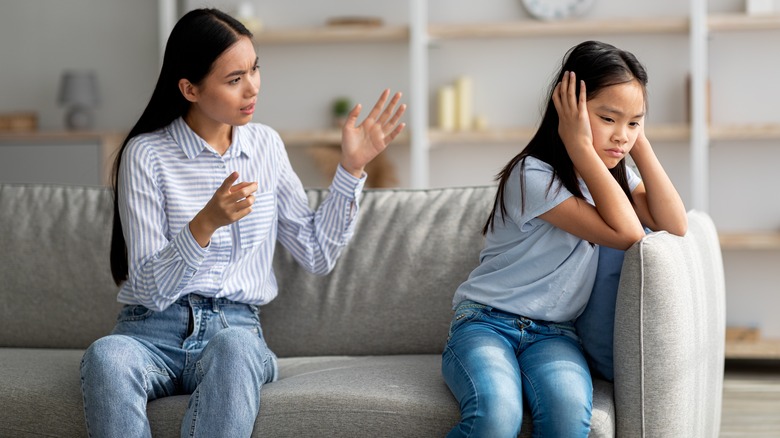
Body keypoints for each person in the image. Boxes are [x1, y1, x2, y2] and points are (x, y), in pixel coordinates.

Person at [79, 8, 405, 438]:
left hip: (234, 330)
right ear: (189, 88)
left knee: (234, 348)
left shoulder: (266, 146)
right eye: (234, 80)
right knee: (107, 356)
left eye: (255, 69)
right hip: (150, 330)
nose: (252, 88)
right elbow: (149, 286)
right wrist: (204, 225)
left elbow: (317, 253)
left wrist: (351, 168)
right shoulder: (146, 154)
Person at [441, 40, 687, 437]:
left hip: (555, 333)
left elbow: (674, 223)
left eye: (634, 122)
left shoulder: (613, 183)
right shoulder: (532, 176)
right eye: (607, 117)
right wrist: (578, 144)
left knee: (568, 416)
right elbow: (625, 234)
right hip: (486, 323)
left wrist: (635, 140)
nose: (620, 136)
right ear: (567, 107)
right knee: (496, 414)